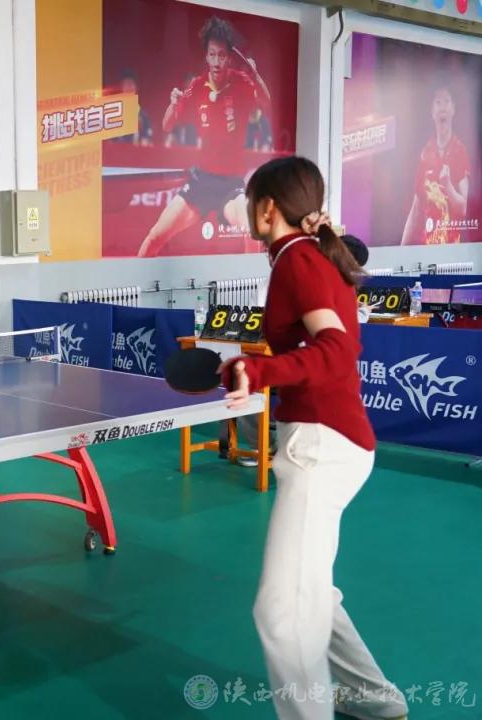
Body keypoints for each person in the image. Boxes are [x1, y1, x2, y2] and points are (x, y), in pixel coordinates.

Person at [218, 157, 408, 720]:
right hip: (334, 439)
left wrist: (260, 371)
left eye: (249, 202)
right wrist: (258, 371)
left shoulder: (298, 259)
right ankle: (374, 699)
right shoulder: (307, 254)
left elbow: (338, 350)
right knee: (313, 592)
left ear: (266, 208)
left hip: (322, 446)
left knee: (281, 614)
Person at [137, 16, 271, 257]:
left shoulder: (242, 82)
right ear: (206, 56)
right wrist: (173, 105)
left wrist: (255, 75)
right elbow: (167, 125)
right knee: (154, 236)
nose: (216, 61)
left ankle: (250, 282)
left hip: (231, 186)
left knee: (252, 231)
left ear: (229, 57)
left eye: (222, 55)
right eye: (212, 55)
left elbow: (266, 101)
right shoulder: (197, 87)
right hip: (201, 182)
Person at [400, 85, 471, 246]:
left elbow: (463, 208)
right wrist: (400, 250)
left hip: (453, 249)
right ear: (432, 112)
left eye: (446, 101)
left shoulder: (459, 151)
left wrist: (448, 186)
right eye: (438, 102)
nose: (442, 107)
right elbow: (416, 209)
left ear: (453, 109)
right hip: (428, 248)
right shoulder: (425, 153)